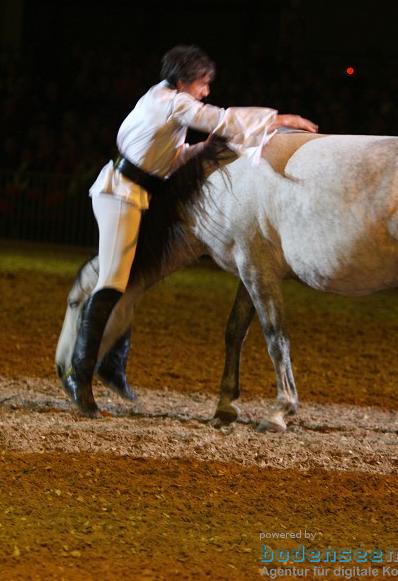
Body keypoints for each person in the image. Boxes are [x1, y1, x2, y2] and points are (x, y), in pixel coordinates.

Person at [62, 45, 318, 416]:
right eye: (202, 84)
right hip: (120, 195)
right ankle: (78, 375)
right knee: (114, 282)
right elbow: (220, 117)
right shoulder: (175, 103)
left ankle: (108, 365)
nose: (206, 90)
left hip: (135, 191)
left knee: (128, 276)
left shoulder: (162, 96)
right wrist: (277, 119)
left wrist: (201, 149)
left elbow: (170, 156)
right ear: (183, 83)